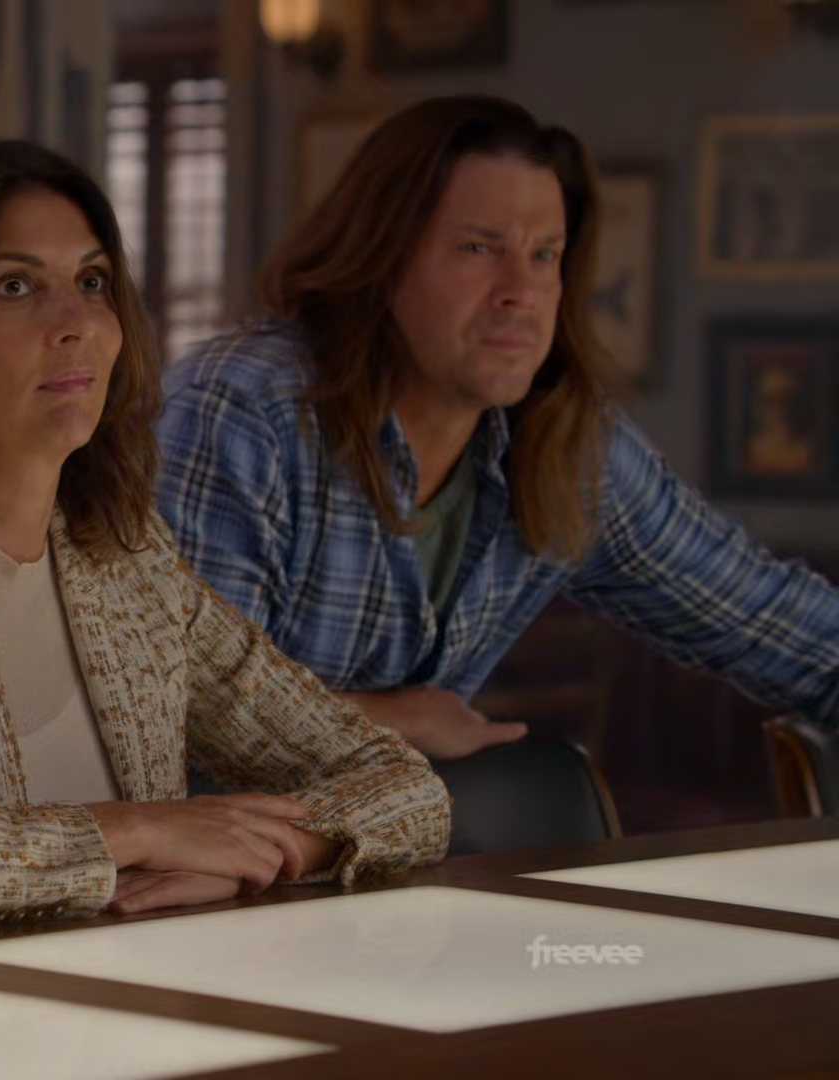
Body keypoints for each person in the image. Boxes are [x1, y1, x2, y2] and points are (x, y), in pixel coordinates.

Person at [0, 141, 450, 930]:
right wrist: (137, 830)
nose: (75, 322)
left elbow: (401, 784)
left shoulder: (129, 558)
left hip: (115, 995)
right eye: (14, 286)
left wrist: (266, 854)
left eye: (92, 282)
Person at [155, 94, 839, 764]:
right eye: (479, 248)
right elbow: (179, 714)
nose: (522, 291)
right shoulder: (242, 411)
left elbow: (778, 628)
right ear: (384, 262)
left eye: (545, 255)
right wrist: (405, 722)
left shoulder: (565, 444)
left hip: (396, 833)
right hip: (202, 840)